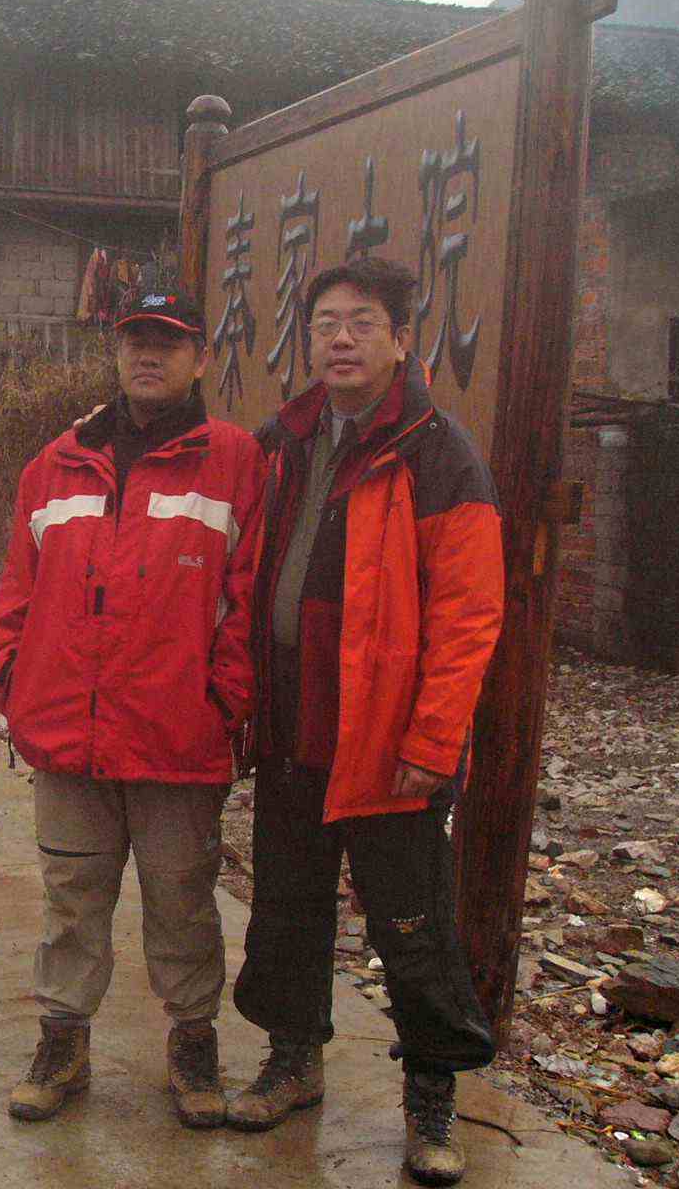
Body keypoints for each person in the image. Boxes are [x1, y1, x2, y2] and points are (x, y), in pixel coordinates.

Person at [224, 257, 503, 1187]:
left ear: (401, 340)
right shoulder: (283, 441)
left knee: (412, 929)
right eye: (326, 323)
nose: (341, 339)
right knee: (286, 911)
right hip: (293, 732)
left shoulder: (439, 453)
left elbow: (470, 616)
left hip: (389, 748)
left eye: (363, 323)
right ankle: (292, 1060)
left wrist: (433, 741)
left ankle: (431, 1100)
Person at [0, 288, 264, 1129]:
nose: (149, 355)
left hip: (178, 736)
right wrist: (12, 683)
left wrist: (223, 704)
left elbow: (248, 602)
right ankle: (62, 1045)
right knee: (71, 898)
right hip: (67, 733)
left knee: (182, 900)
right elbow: (17, 590)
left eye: (168, 342)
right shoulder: (55, 464)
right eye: (136, 339)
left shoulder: (236, 462)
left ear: (201, 359)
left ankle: (193, 1044)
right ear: (115, 351)